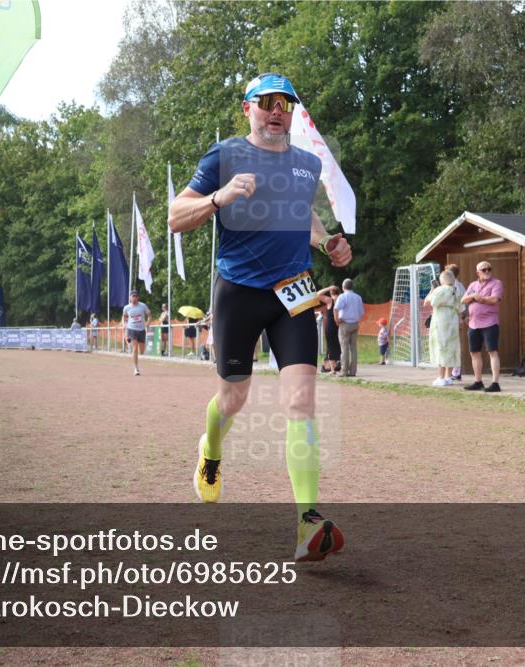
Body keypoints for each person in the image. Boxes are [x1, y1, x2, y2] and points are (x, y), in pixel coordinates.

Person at [168, 72, 353, 562]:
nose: (277, 111)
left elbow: (302, 216)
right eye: (266, 102)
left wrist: (326, 240)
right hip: (238, 292)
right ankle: (209, 453)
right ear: (247, 108)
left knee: (301, 401)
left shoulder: (306, 164)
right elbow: (174, 215)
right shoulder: (224, 156)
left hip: (293, 291)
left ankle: (307, 520)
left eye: (285, 103)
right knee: (232, 398)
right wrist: (218, 198)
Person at [462, 260, 503, 392]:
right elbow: (463, 300)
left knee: (492, 351)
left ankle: (495, 383)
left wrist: (480, 298)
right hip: (473, 323)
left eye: (489, 269)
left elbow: (495, 299)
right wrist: (474, 296)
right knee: (474, 352)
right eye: (483, 270)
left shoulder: (496, 283)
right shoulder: (473, 285)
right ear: (477, 272)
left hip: (490, 322)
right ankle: (478, 381)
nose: (487, 272)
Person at [427, 270, 461, 386]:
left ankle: (440, 377)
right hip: (453, 320)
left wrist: (432, 290)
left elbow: (431, 302)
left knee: (441, 347)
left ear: (442, 280)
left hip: (441, 320)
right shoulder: (456, 291)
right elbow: (461, 308)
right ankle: (448, 377)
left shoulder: (440, 289)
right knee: (451, 347)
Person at [334, 278, 364, 377]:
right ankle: (353, 371)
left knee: (344, 348)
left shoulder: (342, 297)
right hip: (355, 324)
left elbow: (336, 309)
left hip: (345, 324)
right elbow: (361, 313)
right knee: (353, 349)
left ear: (343, 287)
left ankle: (344, 370)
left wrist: (337, 320)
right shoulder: (358, 297)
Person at [445, 263, 467, 382]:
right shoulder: (455, 285)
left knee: (453, 346)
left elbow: (462, 303)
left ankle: (455, 371)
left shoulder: (457, 286)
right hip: (452, 319)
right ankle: (453, 370)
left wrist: (462, 317)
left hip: (454, 319)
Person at [122, 290, 151, 376]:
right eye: (132, 296)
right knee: (135, 348)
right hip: (132, 329)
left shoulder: (143, 306)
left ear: (138, 297)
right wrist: (124, 324)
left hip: (141, 329)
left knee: (142, 351)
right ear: (130, 297)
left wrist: (148, 323)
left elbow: (149, 315)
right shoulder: (127, 307)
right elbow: (124, 316)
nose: (134, 298)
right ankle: (136, 368)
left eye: (135, 296)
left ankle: (134, 354)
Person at [317, 285, 341, 373]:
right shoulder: (341, 299)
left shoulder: (330, 300)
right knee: (338, 345)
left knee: (330, 346)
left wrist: (327, 288)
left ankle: (331, 368)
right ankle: (336, 364)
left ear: (331, 292)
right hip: (339, 325)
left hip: (330, 326)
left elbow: (317, 294)